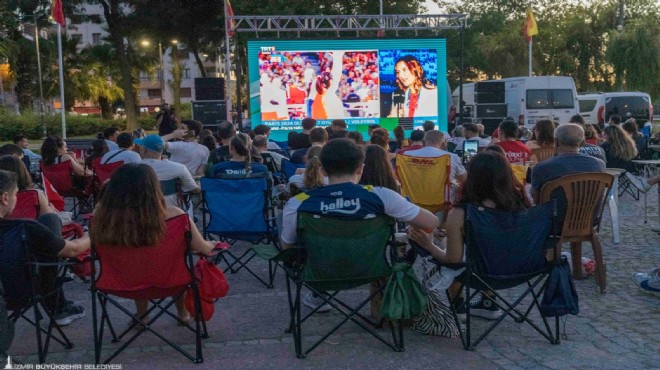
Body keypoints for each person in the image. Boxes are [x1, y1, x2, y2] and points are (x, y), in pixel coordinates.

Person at [280, 139, 439, 309]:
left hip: (318, 273)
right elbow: (432, 221)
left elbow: (287, 246)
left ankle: (317, 295)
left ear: (323, 170)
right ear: (360, 169)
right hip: (373, 270)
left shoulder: (298, 203)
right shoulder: (382, 196)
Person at [90, 163, 216, 324]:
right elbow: (203, 249)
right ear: (154, 188)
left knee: (135, 259)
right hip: (172, 282)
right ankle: (182, 313)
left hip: (121, 283)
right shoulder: (176, 217)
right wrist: (213, 245)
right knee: (174, 260)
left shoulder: (101, 220)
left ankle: (142, 315)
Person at [410, 151, 528, 319]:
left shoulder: (461, 213)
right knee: (489, 246)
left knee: (447, 243)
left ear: (473, 179)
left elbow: (453, 260)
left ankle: (458, 305)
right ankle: (489, 302)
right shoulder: (523, 205)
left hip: (480, 273)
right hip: (521, 269)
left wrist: (429, 245)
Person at [0, 170, 90, 326]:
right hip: (18, 292)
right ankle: (58, 308)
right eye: (15, 194)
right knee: (50, 220)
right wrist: (92, 234)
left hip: (6, 292)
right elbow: (73, 250)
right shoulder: (26, 227)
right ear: (5, 198)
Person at [531, 124, 606, 205]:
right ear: (583, 142)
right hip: (590, 216)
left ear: (556, 142)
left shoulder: (541, 168)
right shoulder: (599, 164)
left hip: (553, 217)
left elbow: (537, 201)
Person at [136, 135, 199, 208]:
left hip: (143, 214)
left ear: (143, 149)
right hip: (172, 214)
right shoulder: (179, 168)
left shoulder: (131, 169)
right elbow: (194, 189)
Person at [311, 51, 345, 119]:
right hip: (329, 125)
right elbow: (336, 74)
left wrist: (337, 58)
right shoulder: (328, 94)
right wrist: (337, 57)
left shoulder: (319, 95)